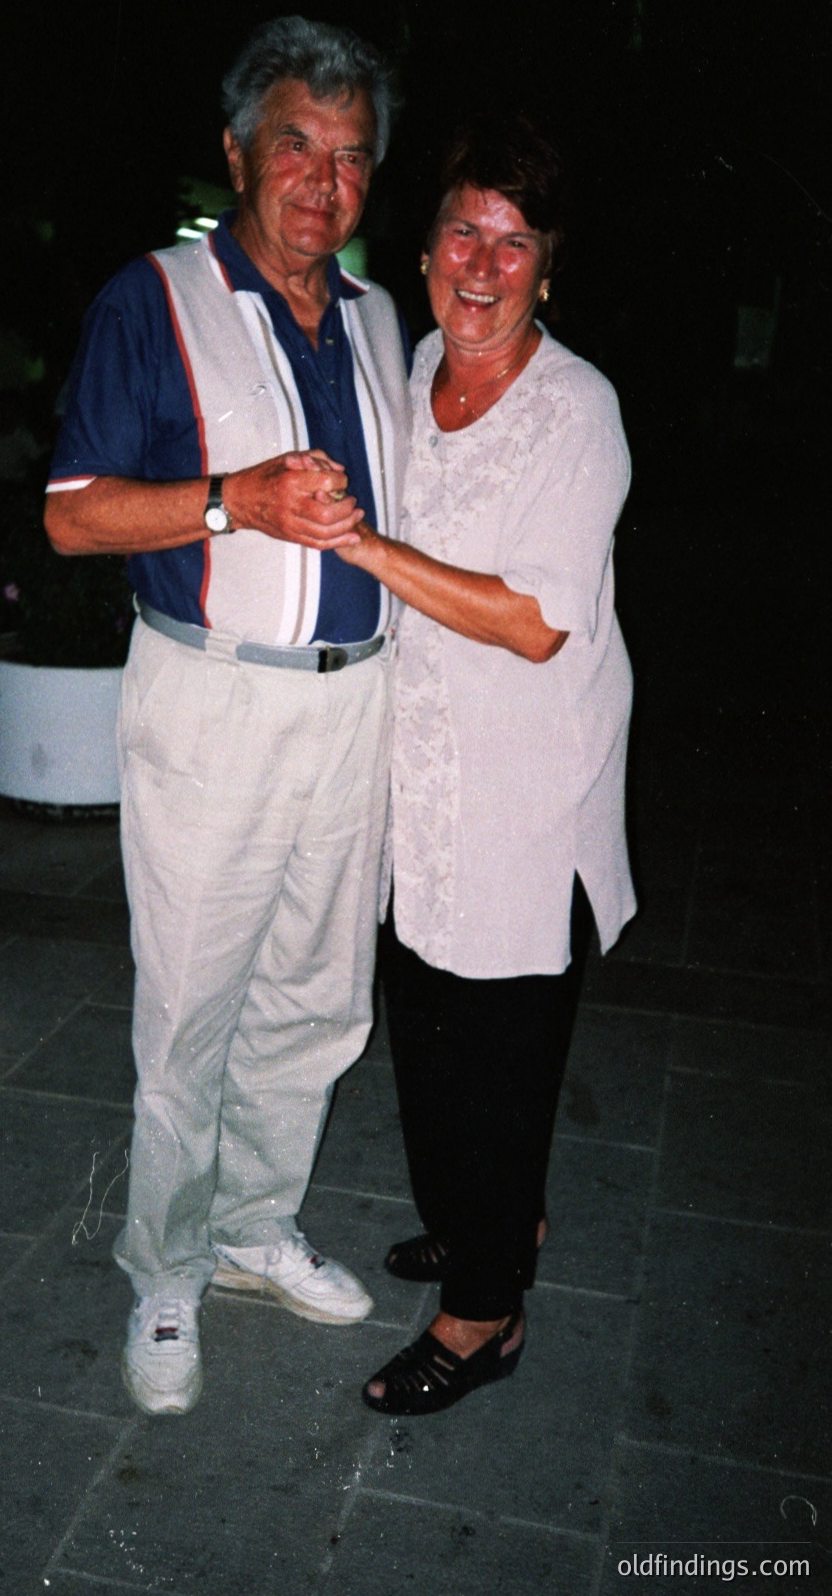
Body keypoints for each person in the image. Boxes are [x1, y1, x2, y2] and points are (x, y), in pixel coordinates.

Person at [43, 17, 410, 1415]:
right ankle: (166, 1268)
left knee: (318, 1002)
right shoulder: (152, 299)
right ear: (237, 154)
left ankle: (255, 1228)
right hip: (211, 696)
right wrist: (231, 499)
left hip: (353, 704)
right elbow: (71, 518)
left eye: (350, 158)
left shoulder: (380, 319)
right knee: (192, 1007)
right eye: (294, 149)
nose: (322, 185)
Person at [333, 115, 636, 1417]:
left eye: (511, 241)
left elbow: (534, 618)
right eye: (463, 227)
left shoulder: (576, 411)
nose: (481, 260)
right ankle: (487, 1223)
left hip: (527, 799)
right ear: (421, 251)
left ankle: (479, 1314)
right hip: (423, 785)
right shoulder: (407, 370)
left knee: (495, 1058)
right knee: (433, 1038)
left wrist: (367, 551)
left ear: (543, 270)